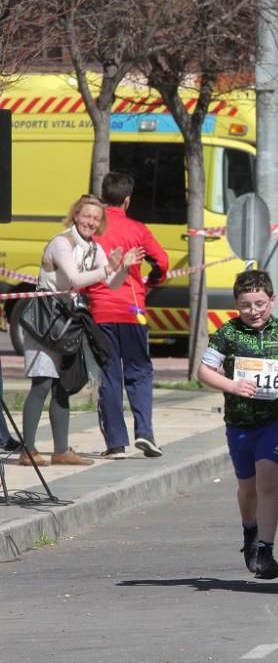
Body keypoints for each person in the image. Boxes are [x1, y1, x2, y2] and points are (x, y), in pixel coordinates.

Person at [20, 195, 141, 467]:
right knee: (42, 382)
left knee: (63, 385)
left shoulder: (93, 247)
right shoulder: (62, 243)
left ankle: (61, 450)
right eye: (86, 216)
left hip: (68, 319)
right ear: (75, 215)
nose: (90, 222)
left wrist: (123, 268)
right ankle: (28, 450)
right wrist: (107, 268)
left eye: (96, 219)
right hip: (45, 317)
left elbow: (110, 282)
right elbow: (75, 279)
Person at [197, 270, 278, 580]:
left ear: (272, 300)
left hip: (275, 421)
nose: (253, 311)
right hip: (240, 423)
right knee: (247, 486)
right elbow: (204, 371)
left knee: (267, 480)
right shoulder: (227, 333)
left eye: (260, 303)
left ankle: (266, 551)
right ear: (236, 305)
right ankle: (250, 531)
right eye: (246, 305)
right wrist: (232, 385)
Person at [88, 172, 170, 460]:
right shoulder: (138, 229)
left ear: (102, 197)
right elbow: (162, 262)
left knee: (109, 375)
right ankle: (145, 433)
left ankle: (116, 443)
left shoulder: (93, 228)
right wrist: (152, 281)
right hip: (133, 308)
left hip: (100, 310)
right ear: (127, 200)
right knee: (139, 372)